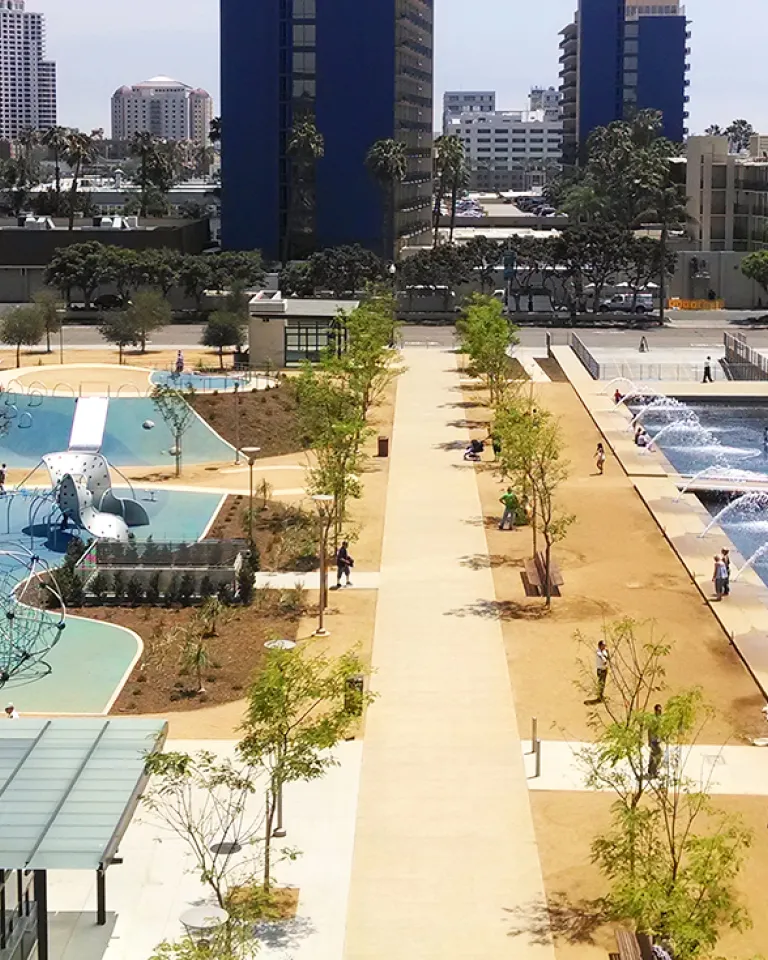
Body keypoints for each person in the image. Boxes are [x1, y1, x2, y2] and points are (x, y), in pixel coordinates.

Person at [648, 703, 663, 779]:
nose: (660, 712)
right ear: (655, 710)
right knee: (659, 755)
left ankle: (651, 770)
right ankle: (653, 771)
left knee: (653, 755)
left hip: (658, 740)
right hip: (654, 741)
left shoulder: (660, 719)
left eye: (660, 710)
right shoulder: (653, 719)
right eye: (658, 710)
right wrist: (649, 741)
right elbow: (649, 730)